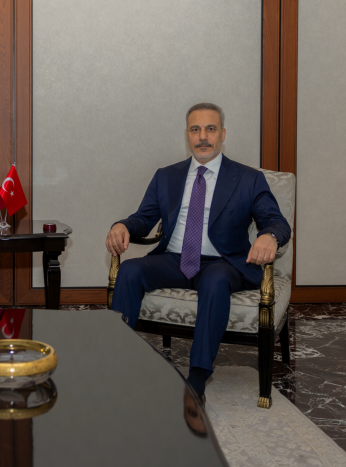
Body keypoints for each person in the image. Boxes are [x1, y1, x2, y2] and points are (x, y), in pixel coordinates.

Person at [105, 103, 290, 403]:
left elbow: (276, 221)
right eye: (195, 129)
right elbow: (144, 218)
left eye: (210, 129)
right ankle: (117, 362)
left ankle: (198, 376)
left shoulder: (247, 178)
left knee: (215, 280)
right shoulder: (166, 176)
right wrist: (122, 225)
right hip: (174, 259)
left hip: (224, 262)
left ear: (222, 134)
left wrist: (269, 236)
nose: (203, 137)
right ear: (187, 135)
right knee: (129, 269)